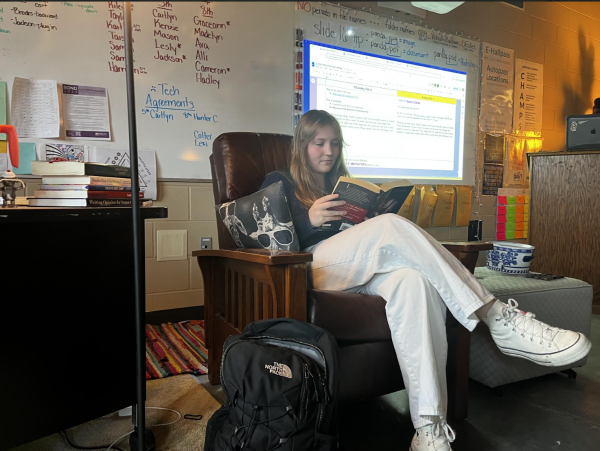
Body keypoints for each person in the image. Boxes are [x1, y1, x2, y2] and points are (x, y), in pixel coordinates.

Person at [259, 110, 592, 451]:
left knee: (414, 282)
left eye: (334, 143)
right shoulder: (279, 180)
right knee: (390, 226)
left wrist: (367, 219)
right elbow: (264, 238)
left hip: (359, 266)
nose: (328, 151)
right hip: (311, 268)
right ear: (302, 145)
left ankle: (429, 428)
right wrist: (308, 219)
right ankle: (496, 316)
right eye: (319, 143)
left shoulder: (342, 184)